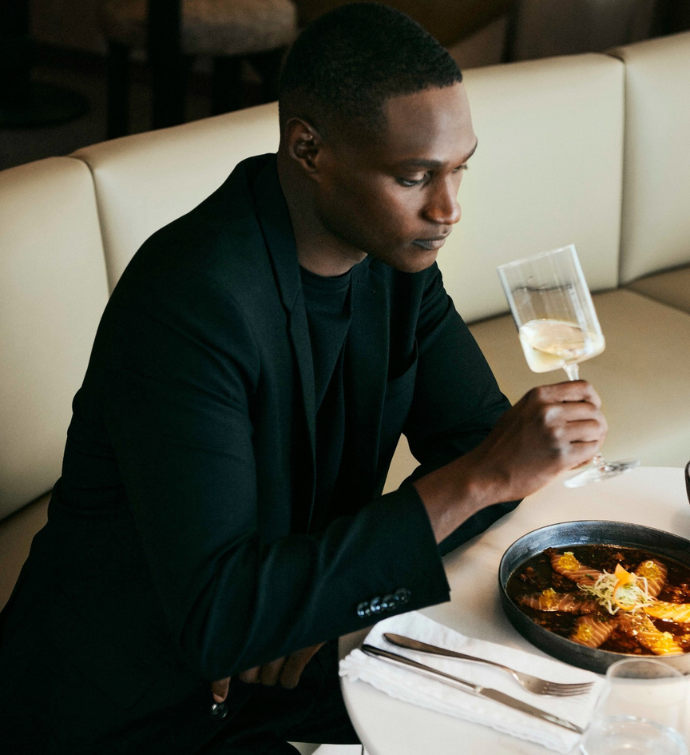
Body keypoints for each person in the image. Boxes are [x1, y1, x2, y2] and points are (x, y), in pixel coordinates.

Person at [0, 4, 607, 753]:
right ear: (309, 148)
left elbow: (485, 447)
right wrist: (476, 479)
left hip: (278, 651)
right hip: (127, 697)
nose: (449, 208)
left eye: (459, 169)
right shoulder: (190, 302)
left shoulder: (400, 267)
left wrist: (321, 602)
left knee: (570, 706)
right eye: (415, 175)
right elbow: (220, 617)